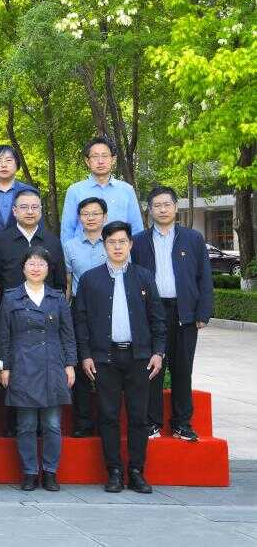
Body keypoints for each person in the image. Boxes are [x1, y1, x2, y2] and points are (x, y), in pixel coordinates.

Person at [75, 221, 166, 494]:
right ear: (104, 246)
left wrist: (158, 352)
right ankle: (114, 471)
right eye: (112, 242)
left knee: (139, 416)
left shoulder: (144, 277)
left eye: (122, 242)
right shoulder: (90, 279)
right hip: (105, 358)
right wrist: (86, 355)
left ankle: (136, 471)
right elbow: (81, 321)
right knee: (108, 416)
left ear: (130, 244)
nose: (117, 247)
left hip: (140, 357)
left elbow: (157, 318)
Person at [134, 185, 213, 442]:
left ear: (175, 207)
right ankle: (151, 423)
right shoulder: (139, 241)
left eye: (167, 204)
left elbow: (204, 277)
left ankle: (182, 424)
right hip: (152, 314)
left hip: (184, 313)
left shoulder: (193, 239)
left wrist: (203, 312)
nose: (162, 209)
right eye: (157, 205)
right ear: (150, 210)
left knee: (182, 369)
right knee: (152, 369)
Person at [0, 246, 75, 492]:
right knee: (26, 425)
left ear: (48, 269)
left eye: (41, 264)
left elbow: (67, 334)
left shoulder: (57, 297)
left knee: (52, 424)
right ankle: (30, 472)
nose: (35, 268)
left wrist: (70, 364)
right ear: (23, 268)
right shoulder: (11, 297)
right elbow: (4, 336)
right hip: (22, 365)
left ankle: (50, 472)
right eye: (31, 263)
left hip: (53, 365)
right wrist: (5, 366)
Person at [62, 196, 110, 438]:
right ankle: (82, 422)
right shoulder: (70, 246)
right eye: (85, 214)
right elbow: (68, 282)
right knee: (81, 365)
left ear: (105, 217)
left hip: (109, 310)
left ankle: (105, 422)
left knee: (105, 367)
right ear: (79, 218)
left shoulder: (113, 243)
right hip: (79, 310)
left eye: (95, 213)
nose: (90, 218)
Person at [60, 137, 145, 243]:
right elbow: (67, 231)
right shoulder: (75, 191)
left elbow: (136, 229)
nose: (100, 161)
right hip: (83, 252)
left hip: (118, 251)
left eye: (104, 156)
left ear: (113, 160)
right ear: (87, 161)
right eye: (95, 156)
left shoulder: (127, 190)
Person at [0, 189, 67, 293]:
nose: (30, 212)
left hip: (47, 303)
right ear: (14, 211)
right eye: (24, 207)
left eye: (34, 207)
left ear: (40, 210)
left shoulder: (53, 242)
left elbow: (60, 283)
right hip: (9, 303)